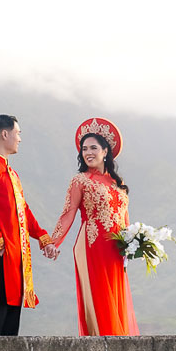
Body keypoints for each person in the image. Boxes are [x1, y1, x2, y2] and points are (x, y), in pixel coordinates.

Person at [46, 117, 139, 337]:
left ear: (105, 151)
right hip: (91, 246)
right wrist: (53, 242)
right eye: (84, 148)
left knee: (116, 300)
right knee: (99, 300)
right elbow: (68, 213)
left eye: (93, 148)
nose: (88, 152)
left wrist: (132, 245)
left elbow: (125, 219)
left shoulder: (118, 184)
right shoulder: (80, 181)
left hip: (115, 252)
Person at [0, 114, 55, 336]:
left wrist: (43, 238)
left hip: (16, 251)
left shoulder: (10, 172)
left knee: (12, 305)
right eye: (18, 133)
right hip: (0, 249)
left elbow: (23, 211)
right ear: (5, 134)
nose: (19, 139)